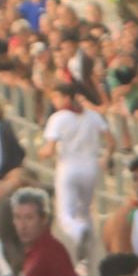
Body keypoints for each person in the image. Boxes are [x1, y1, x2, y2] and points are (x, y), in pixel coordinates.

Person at [38, 83, 112, 260]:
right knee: (85, 211)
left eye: (56, 97)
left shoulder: (58, 118)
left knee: (66, 216)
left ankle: (80, 233)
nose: (54, 101)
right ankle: (87, 256)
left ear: (66, 97)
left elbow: (49, 149)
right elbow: (111, 141)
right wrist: (106, 158)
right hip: (91, 168)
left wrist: (41, 153)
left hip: (68, 167)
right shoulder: (93, 116)